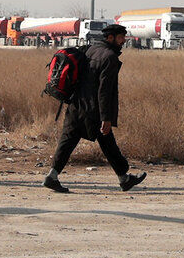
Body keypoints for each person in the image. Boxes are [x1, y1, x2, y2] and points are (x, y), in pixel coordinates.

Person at [43, 24, 146, 193]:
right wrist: (106, 118)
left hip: (76, 105)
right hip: (94, 110)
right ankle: (124, 178)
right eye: (121, 38)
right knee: (107, 142)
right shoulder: (110, 57)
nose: (123, 42)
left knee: (68, 141)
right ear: (110, 38)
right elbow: (104, 90)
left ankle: (52, 175)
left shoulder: (90, 50)